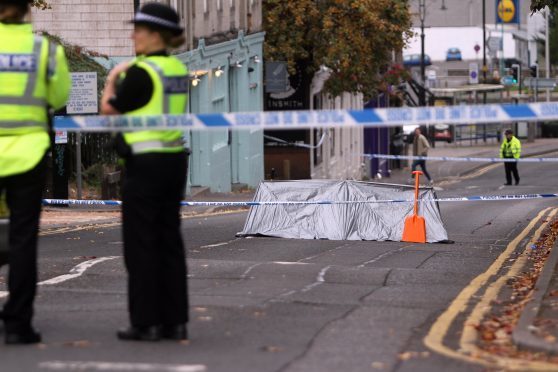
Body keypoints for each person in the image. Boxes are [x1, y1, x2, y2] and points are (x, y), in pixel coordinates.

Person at [100, 2, 190, 342]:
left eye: (138, 29)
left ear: (156, 34)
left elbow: (109, 111)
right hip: (174, 160)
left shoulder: (140, 73)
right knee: (169, 241)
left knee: (140, 245)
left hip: (144, 164)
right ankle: (175, 321)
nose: (132, 34)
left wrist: (111, 80)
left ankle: (145, 322)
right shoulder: (177, 68)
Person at [0, 0, 70, 344]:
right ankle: (18, 325)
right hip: (27, 152)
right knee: (23, 240)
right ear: (27, 8)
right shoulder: (45, 51)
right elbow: (59, 97)